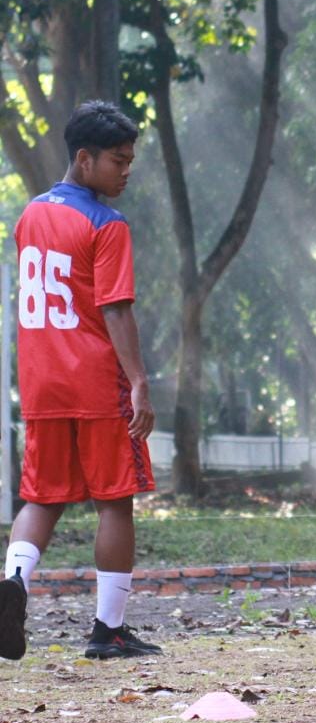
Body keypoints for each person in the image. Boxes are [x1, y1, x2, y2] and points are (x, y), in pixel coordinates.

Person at [0, 100, 160, 661]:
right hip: (95, 381)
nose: (126, 170)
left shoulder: (29, 216)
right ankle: (107, 630)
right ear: (84, 159)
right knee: (115, 501)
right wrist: (138, 380)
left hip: (41, 382)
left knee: (41, 496)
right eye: (118, 160)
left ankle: (15, 582)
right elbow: (115, 310)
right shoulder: (106, 224)